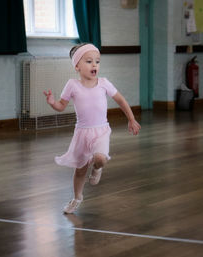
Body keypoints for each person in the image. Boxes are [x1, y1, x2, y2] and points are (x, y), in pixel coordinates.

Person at [43, 43, 141, 214]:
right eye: (89, 61)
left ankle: (97, 168)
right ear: (77, 66)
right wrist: (52, 103)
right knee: (80, 170)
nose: (94, 65)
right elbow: (61, 106)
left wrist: (131, 119)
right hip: (82, 133)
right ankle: (77, 198)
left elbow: (121, 100)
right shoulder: (72, 85)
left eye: (97, 61)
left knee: (100, 158)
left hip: (101, 130)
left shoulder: (104, 83)